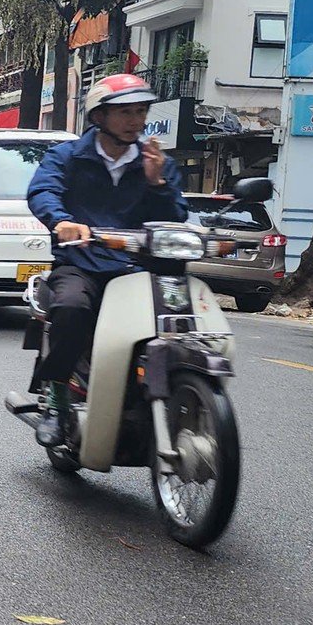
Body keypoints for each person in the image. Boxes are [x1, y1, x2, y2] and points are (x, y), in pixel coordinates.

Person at [25, 73, 189, 446]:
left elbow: (176, 216)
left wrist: (156, 184)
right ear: (99, 117)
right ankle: (56, 398)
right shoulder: (67, 156)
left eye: (141, 111)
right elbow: (42, 190)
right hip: (81, 262)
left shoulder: (157, 162)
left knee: (177, 320)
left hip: (138, 269)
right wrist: (62, 222)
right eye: (125, 112)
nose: (136, 121)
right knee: (70, 306)